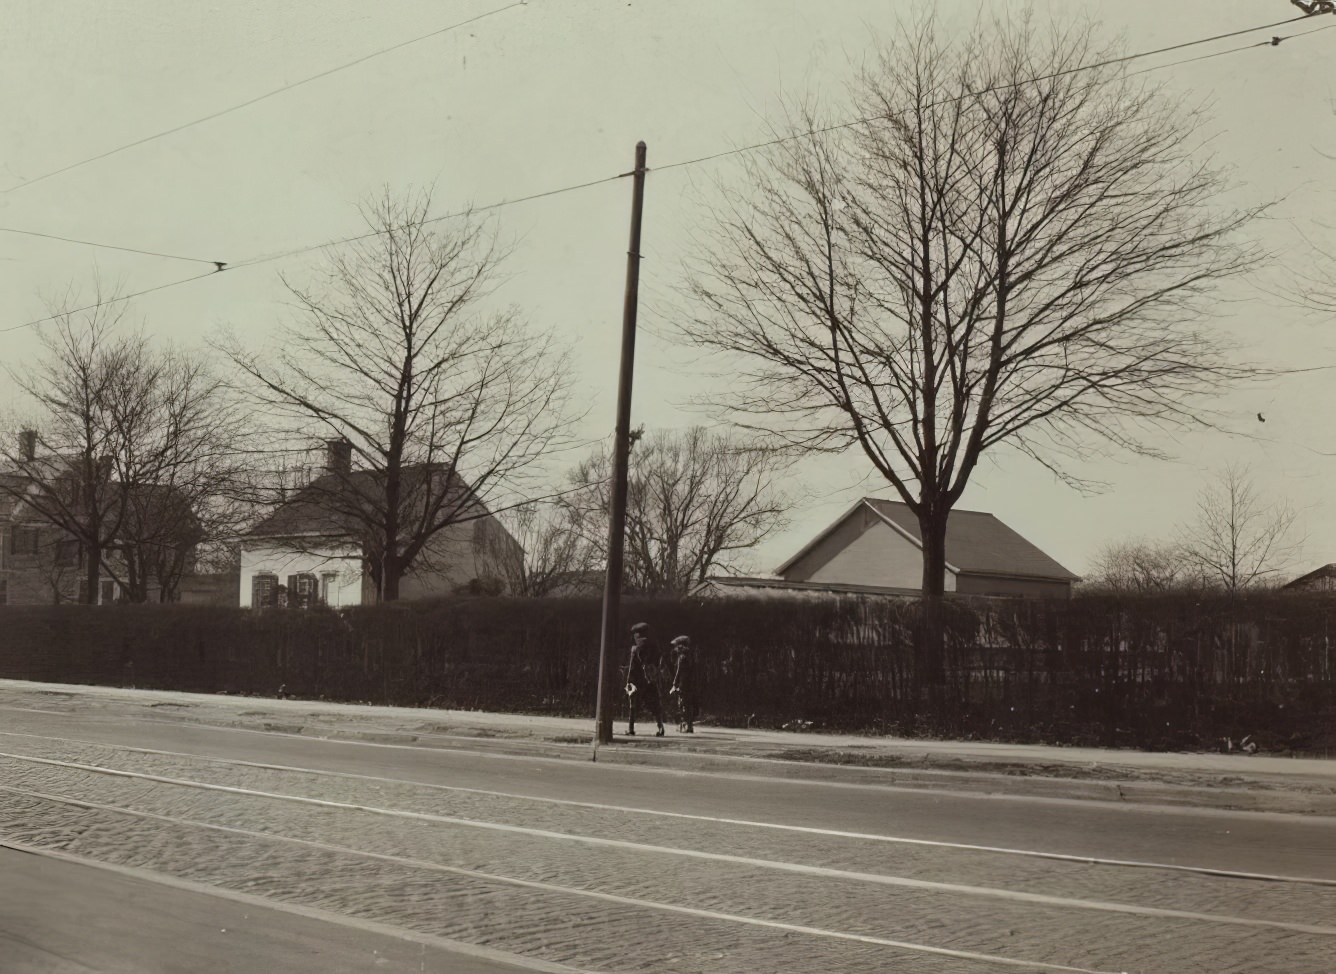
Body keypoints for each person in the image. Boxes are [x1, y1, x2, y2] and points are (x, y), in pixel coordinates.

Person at [625, 621, 665, 737]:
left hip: (636, 680)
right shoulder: (654, 647)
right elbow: (657, 663)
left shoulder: (636, 649)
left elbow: (632, 668)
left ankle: (631, 729)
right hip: (650, 681)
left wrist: (628, 682)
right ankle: (661, 728)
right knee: (655, 704)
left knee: (633, 704)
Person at [668, 634, 696, 733]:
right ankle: (689, 725)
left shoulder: (681, 657)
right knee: (688, 704)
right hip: (689, 683)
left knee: (682, 703)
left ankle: (684, 725)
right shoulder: (689, 656)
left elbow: (678, 672)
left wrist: (674, 683)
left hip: (682, 684)